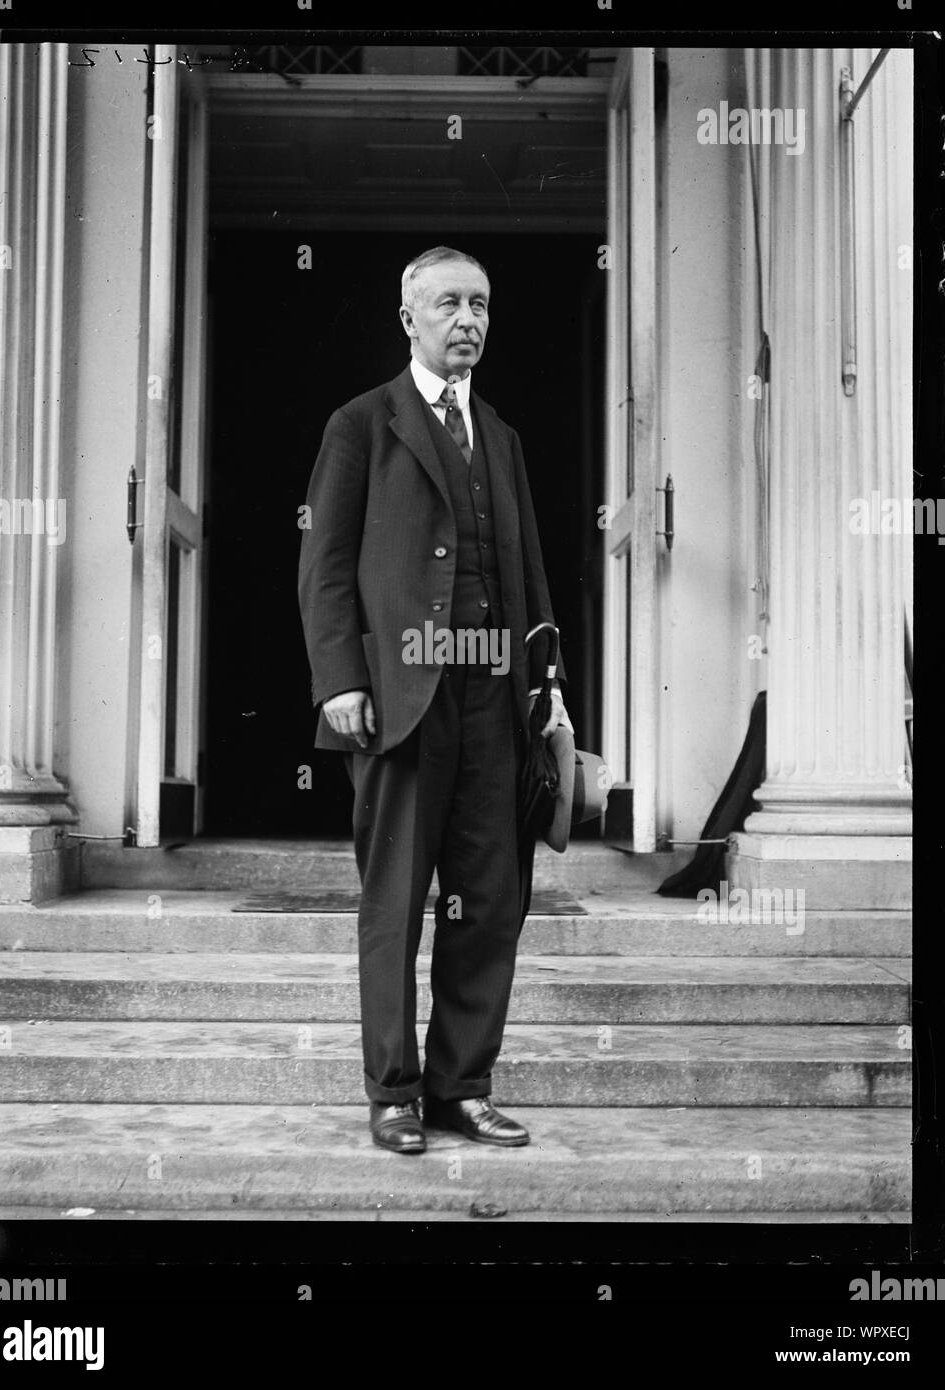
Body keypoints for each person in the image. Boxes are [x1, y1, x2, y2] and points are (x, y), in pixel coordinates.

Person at [298, 246, 570, 1154]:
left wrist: (546, 694)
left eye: (481, 305)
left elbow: (526, 575)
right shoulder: (361, 424)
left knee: (492, 902)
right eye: (449, 303)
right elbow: (326, 564)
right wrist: (338, 677)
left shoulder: (501, 435)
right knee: (395, 903)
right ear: (408, 317)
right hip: (400, 699)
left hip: (493, 701)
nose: (469, 320)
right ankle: (392, 1095)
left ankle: (464, 1087)